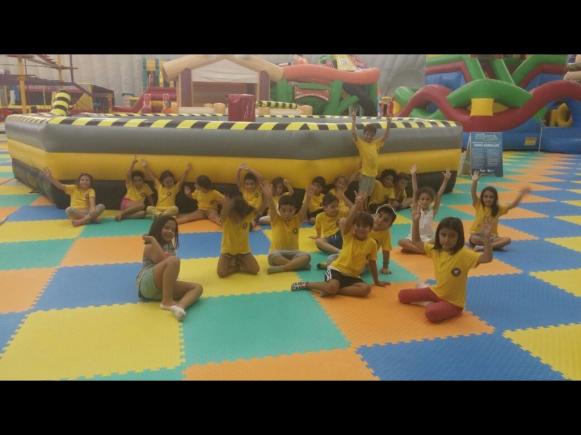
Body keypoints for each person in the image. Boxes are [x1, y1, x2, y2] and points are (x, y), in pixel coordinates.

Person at [398, 201, 493, 323]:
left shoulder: (464, 254)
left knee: (431, 313)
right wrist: (416, 221)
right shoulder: (435, 250)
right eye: (443, 235)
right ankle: (432, 299)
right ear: (438, 235)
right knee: (402, 296)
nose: (447, 239)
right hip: (436, 291)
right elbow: (416, 242)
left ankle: (435, 304)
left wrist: (486, 239)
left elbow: (487, 258)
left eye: (452, 236)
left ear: (459, 237)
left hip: (454, 302)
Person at [291, 193, 389, 297]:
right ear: (353, 227)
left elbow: (373, 263)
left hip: (353, 275)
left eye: (364, 227)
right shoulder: (349, 236)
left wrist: (376, 281)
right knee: (332, 286)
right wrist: (356, 205)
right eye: (358, 226)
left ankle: (333, 290)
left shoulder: (372, 243)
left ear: (370, 228)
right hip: (337, 270)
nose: (361, 229)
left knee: (366, 289)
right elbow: (348, 222)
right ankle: (307, 284)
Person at [137, 215, 203, 321]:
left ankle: (180, 307)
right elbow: (163, 260)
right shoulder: (150, 246)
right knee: (174, 260)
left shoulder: (169, 246)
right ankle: (167, 301)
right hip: (147, 284)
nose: (170, 232)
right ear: (158, 227)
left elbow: (172, 270)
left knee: (197, 288)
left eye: (173, 230)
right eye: (166, 228)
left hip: (162, 288)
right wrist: (153, 240)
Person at [469, 170, 531, 250]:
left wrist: (521, 195)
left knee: (507, 240)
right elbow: (473, 193)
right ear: (482, 198)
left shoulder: (498, 209)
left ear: (495, 199)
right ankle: (491, 246)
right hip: (478, 236)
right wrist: (474, 181)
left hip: (491, 237)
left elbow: (512, 205)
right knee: (473, 238)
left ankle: (483, 248)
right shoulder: (479, 205)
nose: (488, 199)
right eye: (485, 197)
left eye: (491, 197)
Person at [398, 165, 452, 254]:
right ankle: (422, 250)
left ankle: (416, 249)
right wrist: (413, 175)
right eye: (422, 199)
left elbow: (439, 195)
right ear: (418, 200)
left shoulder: (433, 211)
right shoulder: (415, 209)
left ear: (431, 201)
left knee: (437, 239)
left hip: (428, 239)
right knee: (401, 242)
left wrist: (445, 180)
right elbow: (415, 191)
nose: (425, 201)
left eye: (427, 199)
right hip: (413, 238)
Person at [262, 182, 312, 273]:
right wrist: (269, 196)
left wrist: (308, 198)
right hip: (278, 253)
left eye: (290, 210)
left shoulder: (297, 219)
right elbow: (272, 205)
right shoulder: (276, 219)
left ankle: (283, 268)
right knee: (272, 256)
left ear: (295, 210)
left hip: (294, 253)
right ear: (279, 210)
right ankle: (296, 265)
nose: (287, 214)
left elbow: (304, 208)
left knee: (307, 256)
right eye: (284, 210)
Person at [351, 108, 391, 207]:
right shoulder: (361, 143)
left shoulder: (375, 143)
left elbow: (385, 136)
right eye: (367, 134)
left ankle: (364, 209)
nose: (369, 137)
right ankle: (358, 210)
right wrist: (354, 119)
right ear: (364, 134)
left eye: (371, 135)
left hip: (373, 174)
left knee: (366, 195)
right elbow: (353, 133)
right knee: (361, 195)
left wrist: (388, 122)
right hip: (365, 173)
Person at [217, 192, 260, 278]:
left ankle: (238, 261)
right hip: (227, 252)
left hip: (243, 251)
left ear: (243, 214)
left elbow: (260, 209)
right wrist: (227, 204)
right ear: (229, 214)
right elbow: (224, 212)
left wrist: (267, 197)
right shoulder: (226, 220)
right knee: (221, 273)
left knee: (255, 269)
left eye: (237, 216)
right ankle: (237, 266)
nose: (235, 219)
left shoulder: (247, 218)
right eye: (232, 216)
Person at [237, 163, 266, 231]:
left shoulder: (258, 189)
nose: (249, 186)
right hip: (245, 212)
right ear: (244, 184)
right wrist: (239, 170)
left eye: (252, 184)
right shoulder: (244, 190)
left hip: (255, 212)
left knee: (254, 218)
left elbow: (260, 178)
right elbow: (238, 181)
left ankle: (251, 224)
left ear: (255, 184)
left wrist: (250, 169)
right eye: (247, 184)